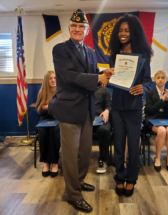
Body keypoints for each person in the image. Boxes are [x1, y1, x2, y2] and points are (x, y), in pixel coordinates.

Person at [48, 9, 114, 213]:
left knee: (85, 153)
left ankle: (79, 181)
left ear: (86, 30)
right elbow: (69, 76)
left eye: (81, 27)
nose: (77, 29)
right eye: (74, 26)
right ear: (69, 29)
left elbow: (90, 74)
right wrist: (97, 79)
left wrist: (104, 73)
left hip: (87, 110)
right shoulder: (60, 49)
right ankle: (73, 194)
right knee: (69, 155)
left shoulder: (91, 52)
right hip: (68, 110)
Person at [108, 13, 152, 197]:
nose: (123, 33)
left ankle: (131, 179)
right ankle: (119, 177)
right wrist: (107, 75)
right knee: (118, 145)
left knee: (134, 147)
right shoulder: (114, 55)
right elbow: (111, 81)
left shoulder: (143, 56)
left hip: (134, 109)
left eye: (126, 30)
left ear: (134, 32)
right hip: (117, 108)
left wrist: (143, 87)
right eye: (120, 31)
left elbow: (148, 82)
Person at [145, 70, 168, 172]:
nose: (160, 80)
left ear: (166, 80)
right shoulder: (150, 92)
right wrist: (161, 100)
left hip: (165, 119)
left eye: (163, 78)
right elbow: (149, 110)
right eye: (158, 78)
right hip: (152, 119)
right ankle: (157, 158)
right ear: (155, 80)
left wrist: (167, 101)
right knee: (161, 131)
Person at [35, 70, 60, 178]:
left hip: (58, 119)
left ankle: (54, 163)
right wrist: (44, 109)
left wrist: (50, 107)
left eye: (55, 78)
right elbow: (39, 111)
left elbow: (62, 110)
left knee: (54, 131)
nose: (53, 80)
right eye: (50, 78)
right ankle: (46, 162)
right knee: (42, 131)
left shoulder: (60, 92)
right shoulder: (42, 93)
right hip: (45, 118)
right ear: (46, 80)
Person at [94, 86, 111, 173]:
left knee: (104, 130)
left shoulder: (104, 90)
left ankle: (103, 160)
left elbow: (109, 105)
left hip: (100, 118)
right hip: (85, 118)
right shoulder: (83, 88)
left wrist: (107, 110)